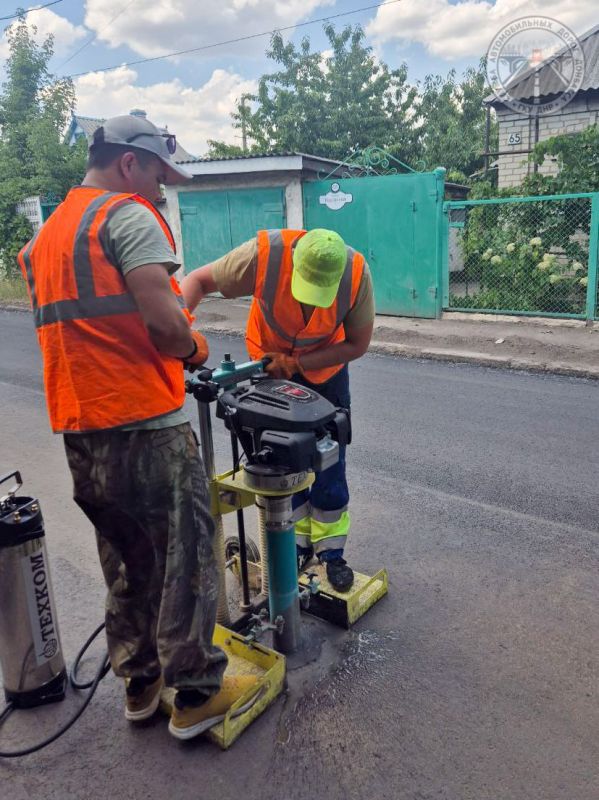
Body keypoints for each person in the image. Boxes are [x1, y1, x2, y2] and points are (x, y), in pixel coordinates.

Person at [17, 114, 258, 742]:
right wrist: (197, 350)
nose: (159, 193)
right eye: (157, 177)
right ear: (130, 164)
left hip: (82, 430)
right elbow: (165, 324)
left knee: (128, 560)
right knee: (188, 556)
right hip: (145, 425)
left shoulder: (45, 239)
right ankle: (197, 691)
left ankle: (140, 681)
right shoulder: (123, 216)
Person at [181, 228, 375, 592]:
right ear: (294, 263)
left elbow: (357, 344)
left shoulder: (356, 274)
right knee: (285, 460)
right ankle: (297, 546)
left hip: (325, 370)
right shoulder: (262, 256)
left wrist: (298, 362)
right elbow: (197, 281)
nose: (314, 304)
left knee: (327, 459)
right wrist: (179, 335)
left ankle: (331, 553)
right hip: (268, 368)